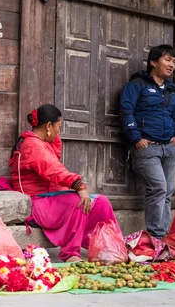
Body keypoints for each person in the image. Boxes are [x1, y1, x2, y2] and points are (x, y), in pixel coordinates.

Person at [9, 104, 121, 262]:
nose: (58, 132)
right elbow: (54, 169)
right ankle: (70, 254)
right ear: (49, 126)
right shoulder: (32, 145)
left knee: (101, 202)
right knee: (78, 200)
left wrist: (53, 136)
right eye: (58, 127)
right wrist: (79, 186)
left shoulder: (43, 143)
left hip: (51, 199)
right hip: (37, 203)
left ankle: (109, 248)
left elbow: (55, 155)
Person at [119, 45, 175, 240]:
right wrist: (136, 138)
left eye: (173, 60)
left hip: (169, 149)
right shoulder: (136, 86)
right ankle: (157, 236)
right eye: (167, 60)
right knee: (158, 188)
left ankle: (161, 237)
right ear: (153, 62)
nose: (171, 64)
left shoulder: (171, 91)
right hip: (148, 149)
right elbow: (126, 112)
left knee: (168, 192)